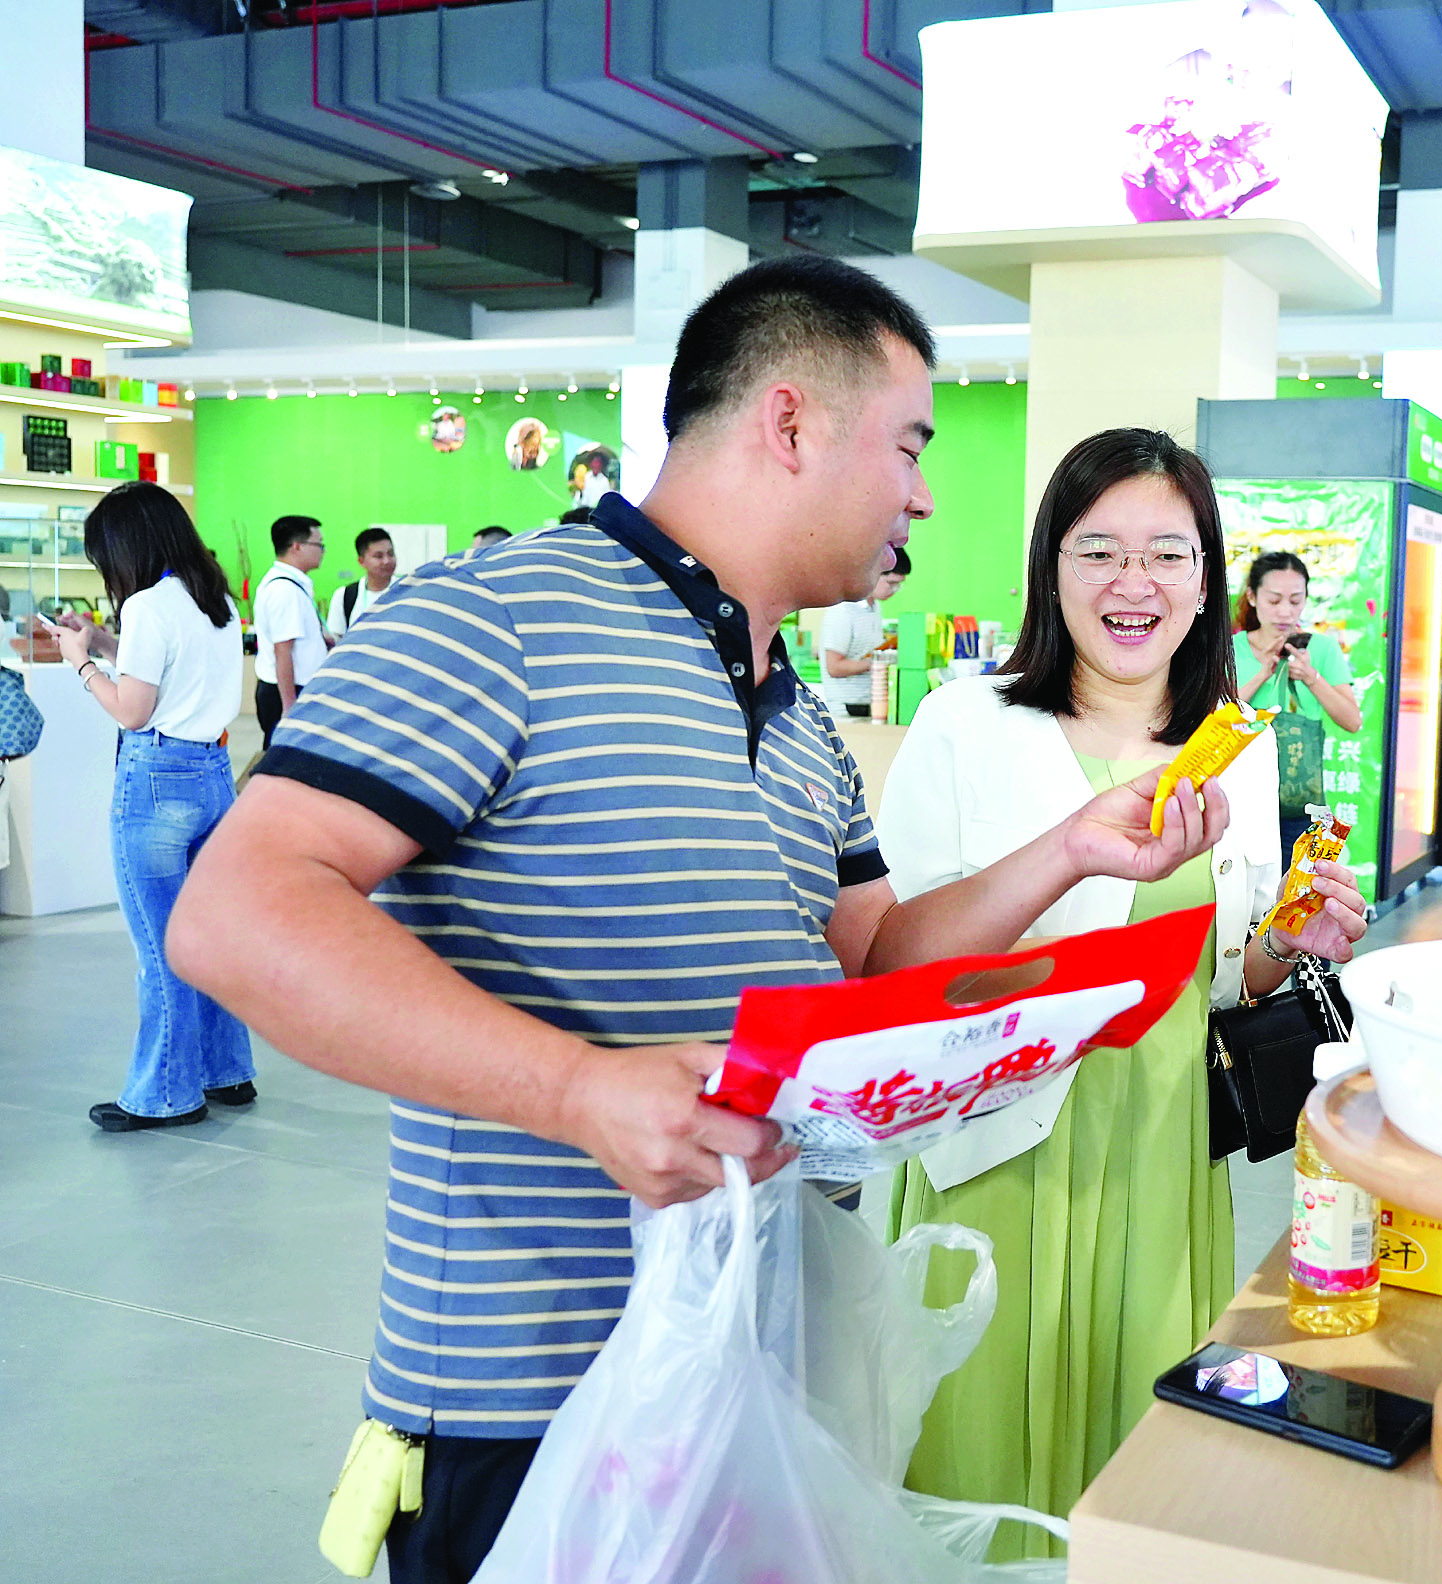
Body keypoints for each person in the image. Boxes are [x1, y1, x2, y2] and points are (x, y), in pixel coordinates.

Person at [168, 257, 1233, 1584]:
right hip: (535, 1407)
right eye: (909, 446)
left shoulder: (800, 718)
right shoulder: (497, 618)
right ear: (791, 423)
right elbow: (237, 910)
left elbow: (877, 960)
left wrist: (1074, 851)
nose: (921, 494)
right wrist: (578, 1090)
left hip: (759, 1376)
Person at [879, 428, 1368, 1548]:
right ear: (1050, 569)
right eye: (1097, 551)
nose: (1132, 583)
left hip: (1160, 1146)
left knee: (1138, 1473)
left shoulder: (1235, 744)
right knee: (973, 1462)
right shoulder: (967, 725)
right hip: (994, 1150)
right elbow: (891, 964)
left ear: (1206, 582)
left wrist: (1291, 940)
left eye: (1166, 554)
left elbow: (1221, 979)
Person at [49, 483, 254, 1132]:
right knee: (210, 937)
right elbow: (174, 669)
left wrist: (80, 663)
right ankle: (227, 1072)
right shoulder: (214, 596)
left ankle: (166, 1095)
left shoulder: (146, 604)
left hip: (157, 780)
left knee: (161, 946)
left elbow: (132, 711)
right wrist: (105, 643)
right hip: (214, 777)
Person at [1233, 550, 1362, 866]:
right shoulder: (1230, 648)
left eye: (1295, 600)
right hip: (1238, 798)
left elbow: (1352, 721)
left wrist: (1310, 677)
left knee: (1298, 887)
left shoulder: (1322, 649)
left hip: (1300, 803)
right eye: (1274, 600)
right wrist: (1262, 674)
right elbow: (1215, 721)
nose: (1285, 611)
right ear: (1252, 597)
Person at [252, 514, 327, 750]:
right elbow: (282, 651)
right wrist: (289, 707)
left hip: (294, 689)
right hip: (288, 692)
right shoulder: (284, 589)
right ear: (297, 547)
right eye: (319, 545)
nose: (322, 551)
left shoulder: (293, 584)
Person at [818, 544, 909, 719]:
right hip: (847, 708)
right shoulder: (843, 609)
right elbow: (834, 667)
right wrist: (880, 662)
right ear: (873, 573)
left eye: (899, 585)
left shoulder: (875, 607)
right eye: (891, 583)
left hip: (872, 701)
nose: (894, 590)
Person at [327, 528, 397, 634]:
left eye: (391, 554)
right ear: (361, 561)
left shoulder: (408, 590)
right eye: (378, 556)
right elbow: (337, 637)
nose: (386, 561)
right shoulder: (345, 596)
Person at [567, 444, 617, 509]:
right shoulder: (586, 477)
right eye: (594, 462)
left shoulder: (604, 480)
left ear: (601, 465)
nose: (596, 465)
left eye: (598, 463)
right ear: (591, 464)